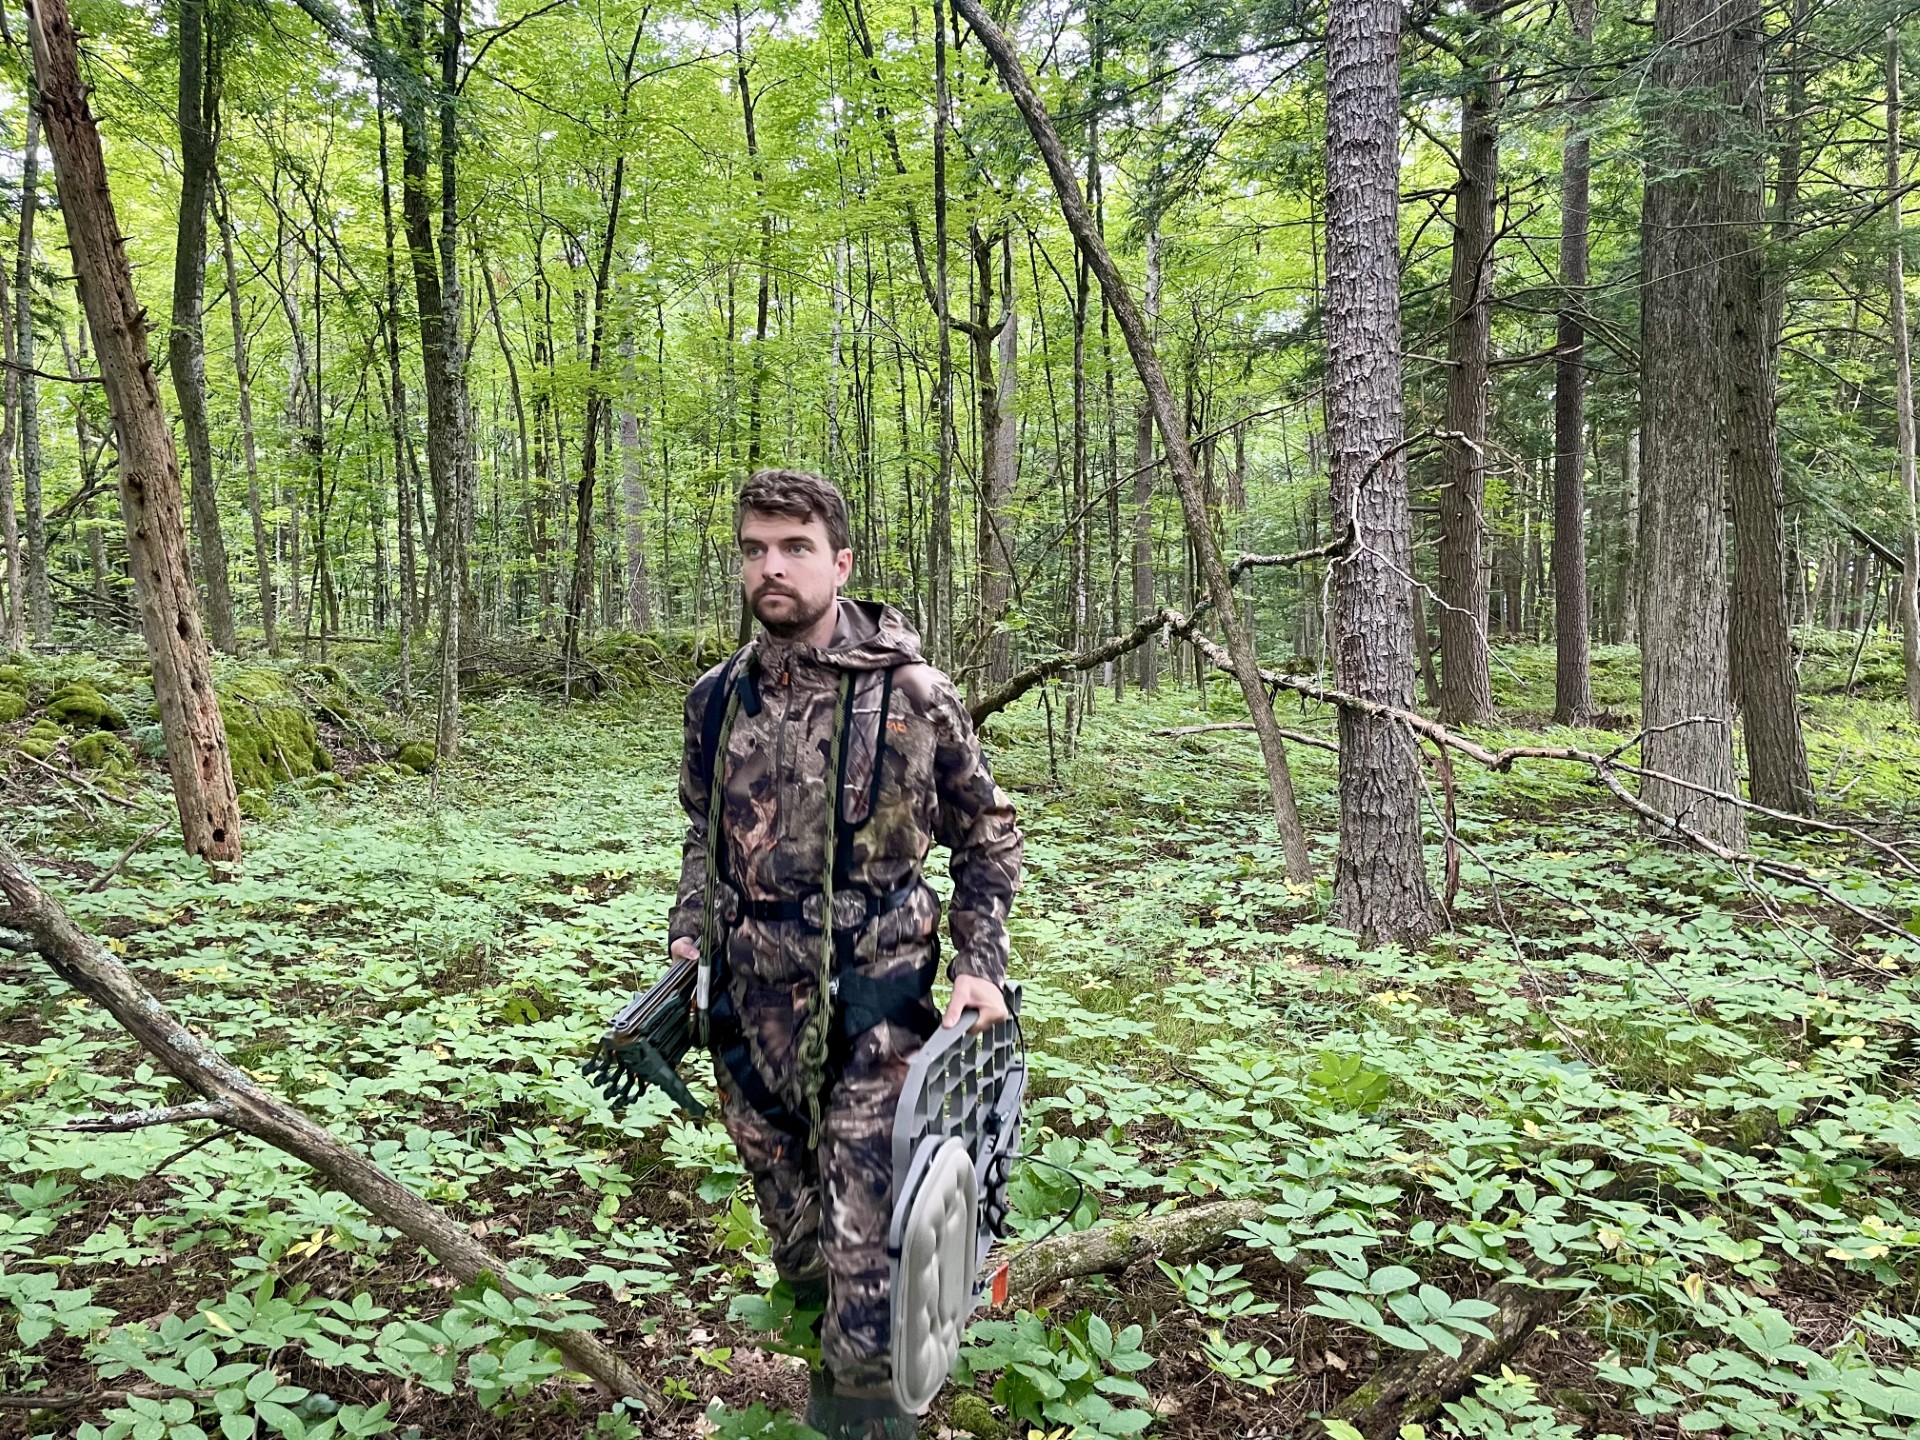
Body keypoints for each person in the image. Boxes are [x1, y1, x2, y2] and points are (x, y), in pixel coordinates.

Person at [668, 469, 1023, 1439]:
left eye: (794, 547)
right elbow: (703, 837)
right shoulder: (716, 702)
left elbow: (987, 838)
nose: (770, 567)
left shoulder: (911, 694)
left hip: (879, 1012)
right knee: (808, 1265)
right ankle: (839, 1397)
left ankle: (871, 1414)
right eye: (754, 548)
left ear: (841, 561)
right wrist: (688, 942)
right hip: (750, 1027)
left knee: (874, 1297)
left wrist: (977, 964)